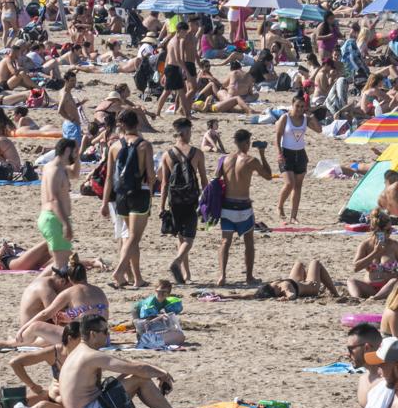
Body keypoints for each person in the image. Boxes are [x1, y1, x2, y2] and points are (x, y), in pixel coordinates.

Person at [58, 314, 177, 408]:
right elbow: (139, 369)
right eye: (105, 331)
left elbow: (130, 366)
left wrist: (156, 371)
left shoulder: (80, 352)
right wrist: (163, 373)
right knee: (140, 379)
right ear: (93, 334)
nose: (108, 335)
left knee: (134, 374)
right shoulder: (90, 355)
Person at [102, 109, 154, 289]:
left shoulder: (114, 146)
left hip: (120, 195)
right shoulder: (144, 145)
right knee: (133, 237)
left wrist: (104, 203)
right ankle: (119, 271)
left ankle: (137, 278)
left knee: (129, 238)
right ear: (137, 124)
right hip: (139, 193)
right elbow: (151, 175)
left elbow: (109, 177)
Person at [217, 129, 272, 286]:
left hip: (227, 206)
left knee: (225, 242)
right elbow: (268, 176)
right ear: (247, 143)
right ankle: (249, 277)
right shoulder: (251, 160)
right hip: (243, 207)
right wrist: (262, 154)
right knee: (249, 243)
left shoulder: (224, 159)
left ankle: (222, 276)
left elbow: (215, 180)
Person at [17, 254, 108, 344]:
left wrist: (23, 328)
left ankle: (13, 343)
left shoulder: (69, 292)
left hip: (84, 339)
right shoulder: (99, 291)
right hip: (104, 339)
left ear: (68, 278)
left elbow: (46, 314)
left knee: (35, 326)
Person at [159, 117, 207, 285]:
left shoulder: (167, 154)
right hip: (191, 199)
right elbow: (204, 180)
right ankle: (177, 262)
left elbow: (164, 183)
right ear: (186, 131)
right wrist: (205, 201)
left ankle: (186, 275)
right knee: (189, 238)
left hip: (174, 199)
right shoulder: (197, 153)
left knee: (180, 236)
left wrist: (162, 205)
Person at [274, 95, 319, 224]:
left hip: (300, 154)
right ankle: (280, 206)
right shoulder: (285, 118)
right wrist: (279, 153)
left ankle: (293, 217)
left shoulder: (305, 119)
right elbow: (277, 136)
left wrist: (312, 116)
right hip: (286, 153)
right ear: (292, 105)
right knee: (289, 183)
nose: (299, 109)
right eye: (297, 106)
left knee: (298, 186)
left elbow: (319, 130)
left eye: (302, 106)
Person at [347, 210, 398, 299]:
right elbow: (355, 267)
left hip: (388, 286)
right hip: (370, 288)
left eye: (391, 229)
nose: (391, 232)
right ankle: (357, 300)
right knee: (351, 281)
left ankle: (376, 298)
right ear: (376, 230)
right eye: (387, 230)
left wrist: (396, 273)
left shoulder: (394, 245)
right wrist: (375, 253)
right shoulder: (366, 245)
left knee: (395, 281)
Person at [39, 138, 80, 272]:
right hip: (54, 218)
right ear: (67, 151)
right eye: (74, 152)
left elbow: (75, 174)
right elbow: (53, 199)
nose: (75, 154)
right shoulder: (55, 170)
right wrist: (66, 224)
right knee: (61, 266)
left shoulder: (58, 167)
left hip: (53, 218)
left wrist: (77, 157)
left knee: (60, 264)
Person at [134, 279, 186, 346]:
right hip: (139, 314)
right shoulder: (150, 304)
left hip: (153, 315)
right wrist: (160, 317)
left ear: (168, 293)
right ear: (155, 290)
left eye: (164, 292)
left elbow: (171, 315)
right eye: (159, 291)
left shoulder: (166, 301)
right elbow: (147, 319)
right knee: (146, 327)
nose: (162, 294)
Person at [346, 322, 384, 407]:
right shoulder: (363, 379)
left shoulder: (390, 380)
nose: (347, 354)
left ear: (367, 348)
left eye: (350, 349)